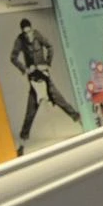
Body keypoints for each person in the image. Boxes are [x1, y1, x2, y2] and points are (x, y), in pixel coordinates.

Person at [10, 18, 80, 148]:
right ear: (22, 33)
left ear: (32, 29)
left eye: (29, 32)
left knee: (62, 102)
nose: (28, 35)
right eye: (25, 33)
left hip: (45, 78)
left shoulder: (38, 35)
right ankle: (22, 145)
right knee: (30, 114)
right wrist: (24, 69)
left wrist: (47, 64)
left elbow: (50, 46)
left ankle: (83, 123)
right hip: (34, 81)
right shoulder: (20, 40)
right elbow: (13, 57)